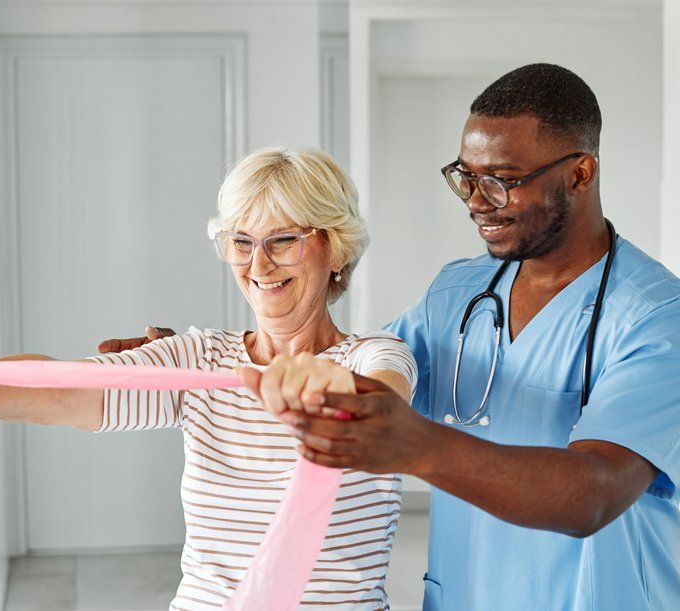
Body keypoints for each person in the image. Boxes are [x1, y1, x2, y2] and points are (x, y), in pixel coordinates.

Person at [104, 65, 680, 610]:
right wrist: (206, 366)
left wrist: (416, 444)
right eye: (467, 178)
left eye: (503, 182)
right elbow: (347, 377)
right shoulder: (459, 294)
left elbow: (596, 494)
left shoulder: (656, 317)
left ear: (580, 173)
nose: (478, 203)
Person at [0, 148, 417, 609]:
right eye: (241, 241)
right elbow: (64, 387)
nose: (258, 264)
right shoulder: (203, 360)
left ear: (335, 247)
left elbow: (386, 405)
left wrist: (328, 390)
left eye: (282, 240)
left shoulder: (374, 355)